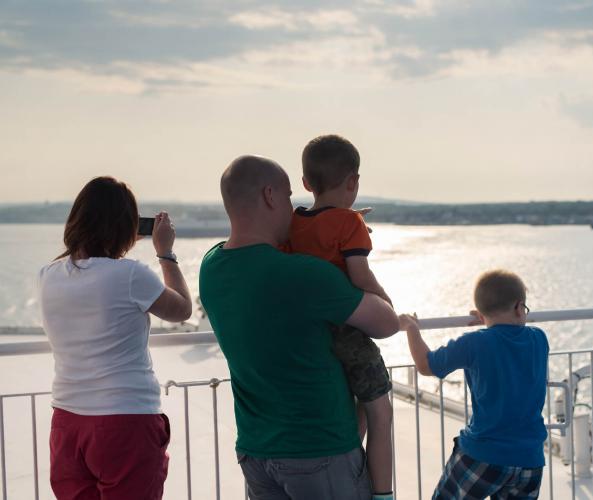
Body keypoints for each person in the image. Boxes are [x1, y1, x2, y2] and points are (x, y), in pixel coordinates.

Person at [198, 155, 399, 500]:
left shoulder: (211, 266)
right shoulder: (304, 274)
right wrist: (354, 254)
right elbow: (387, 323)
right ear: (270, 196)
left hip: (256, 452)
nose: (294, 208)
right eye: (289, 196)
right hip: (319, 450)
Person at [38, 176, 192, 500]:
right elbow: (182, 310)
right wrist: (165, 254)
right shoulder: (130, 275)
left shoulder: (47, 276)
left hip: (67, 422)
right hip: (125, 420)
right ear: (125, 228)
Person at [288, 134, 394, 500]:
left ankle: (349, 466)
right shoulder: (350, 225)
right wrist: (384, 301)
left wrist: (349, 221)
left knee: (352, 405)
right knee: (380, 410)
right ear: (354, 182)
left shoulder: (292, 222)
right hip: (346, 328)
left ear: (305, 184)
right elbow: (359, 275)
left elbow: (319, 237)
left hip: (311, 330)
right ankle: (382, 493)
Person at [400, 270, 549, 500]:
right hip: (530, 461)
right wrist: (491, 322)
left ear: (481, 313)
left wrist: (411, 328)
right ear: (520, 308)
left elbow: (426, 365)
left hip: (484, 455)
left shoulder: (474, 343)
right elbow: (507, 340)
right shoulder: (539, 339)